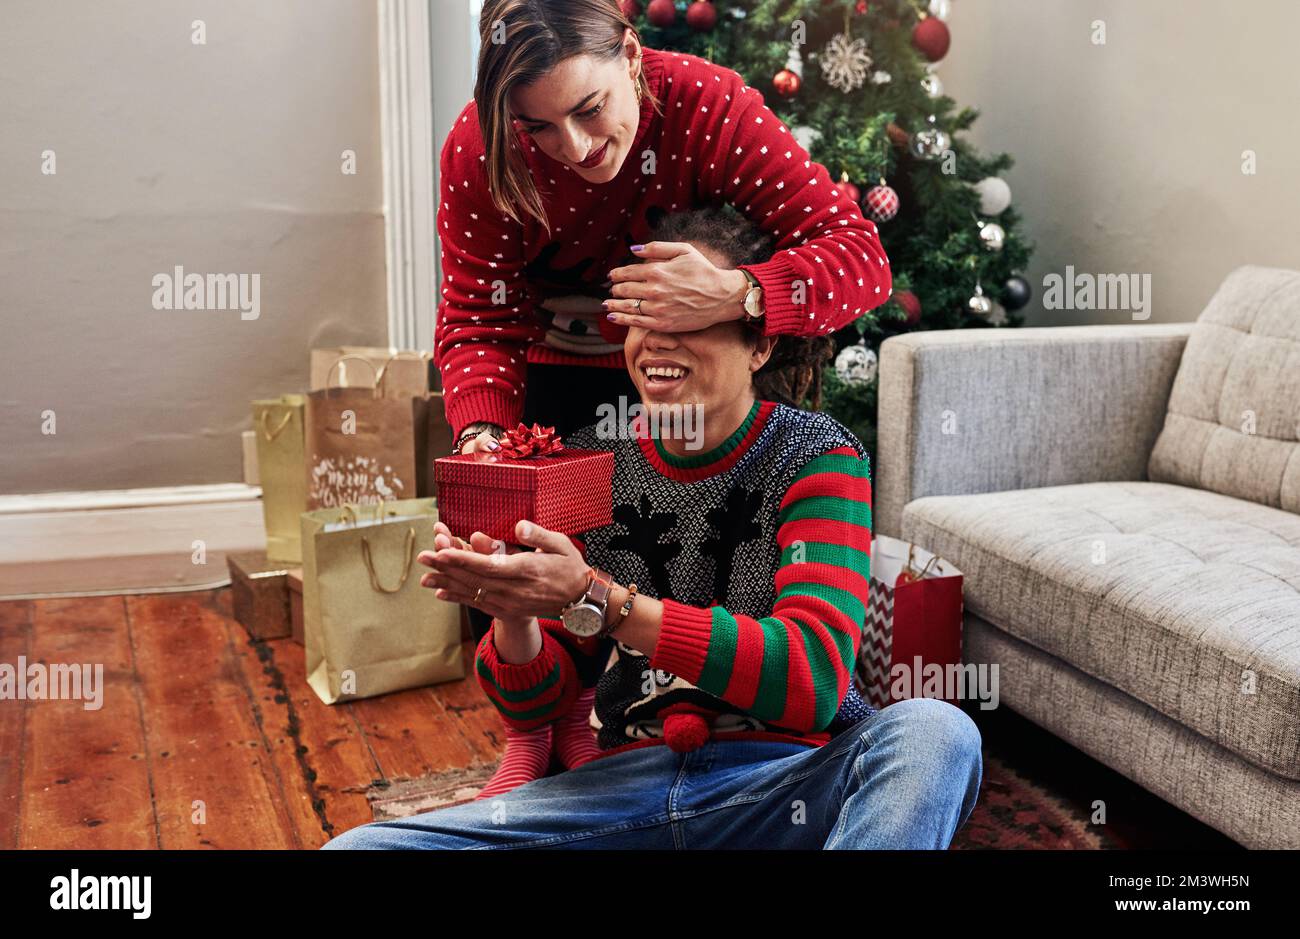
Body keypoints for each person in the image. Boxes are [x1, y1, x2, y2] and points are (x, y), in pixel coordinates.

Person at [322, 208, 981, 850]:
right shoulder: (587, 462)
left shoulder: (817, 455)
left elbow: (811, 678)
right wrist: (513, 607)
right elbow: (536, 705)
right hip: (621, 794)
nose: (657, 341)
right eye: (640, 318)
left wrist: (601, 601)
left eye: (687, 317)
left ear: (759, 342)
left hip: (782, 787)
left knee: (936, 733)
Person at [438, 0, 893, 781]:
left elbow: (859, 257)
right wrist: (487, 443)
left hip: (700, 358)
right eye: (538, 127)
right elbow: (476, 315)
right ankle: (541, 732)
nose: (574, 147)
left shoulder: (710, 106)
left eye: (589, 109)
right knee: (522, 542)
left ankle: (612, 736)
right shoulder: (479, 147)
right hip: (547, 366)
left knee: (671, 565)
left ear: (634, 57)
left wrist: (735, 295)